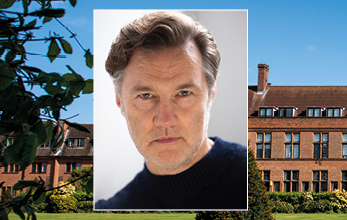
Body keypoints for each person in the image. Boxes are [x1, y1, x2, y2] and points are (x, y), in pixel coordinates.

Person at [95, 11, 247, 210]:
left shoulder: (251, 179)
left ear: (211, 92)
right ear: (119, 99)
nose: (166, 120)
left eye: (183, 93)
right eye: (146, 96)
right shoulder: (111, 211)